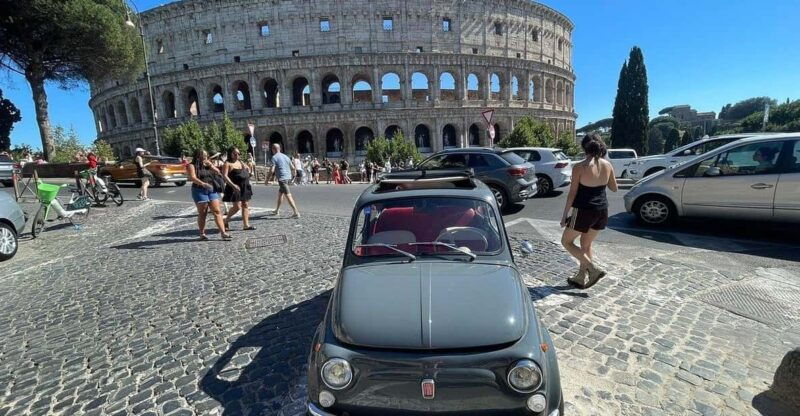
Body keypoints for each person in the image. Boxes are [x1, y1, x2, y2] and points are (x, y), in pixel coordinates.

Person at [560, 133, 618, 289]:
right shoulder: (607, 165)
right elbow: (614, 188)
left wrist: (565, 215)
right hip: (602, 211)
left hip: (584, 211)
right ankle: (580, 277)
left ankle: (592, 269)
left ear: (584, 147)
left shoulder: (579, 167)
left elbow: (572, 193)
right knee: (586, 245)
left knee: (566, 241)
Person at [187, 149, 232, 241]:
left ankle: (223, 233)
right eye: (203, 155)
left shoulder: (208, 164)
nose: (205, 157)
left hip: (211, 189)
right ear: (197, 156)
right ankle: (202, 233)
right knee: (203, 213)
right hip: (199, 190)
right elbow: (192, 177)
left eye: (206, 155)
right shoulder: (191, 165)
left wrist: (211, 165)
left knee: (217, 211)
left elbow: (218, 172)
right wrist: (203, 184)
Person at [222, 146, 255, 231]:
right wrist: (233, 185)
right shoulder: (227, 163)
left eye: (238, 153)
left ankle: (246, 225)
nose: (237, 155)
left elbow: (247, 169)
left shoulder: (240, 162)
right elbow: (225, 176)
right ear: (231, 154)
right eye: (235, 154)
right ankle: (225, 220)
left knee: (245, 205)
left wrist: (249, 172)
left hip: (244, 186)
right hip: (234, 187)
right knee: (237, 207)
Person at [269, 144, 301, 218]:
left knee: (288, 195)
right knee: (280, 194)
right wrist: (294, 174)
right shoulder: (286, 156)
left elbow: (272, 170)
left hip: (282, 179)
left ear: (273, 149)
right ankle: (277, 210)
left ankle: (296, 212)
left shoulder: (274, 157)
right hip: (287, 177)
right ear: (279, 148)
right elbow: (293, 167)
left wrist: (267, 180)